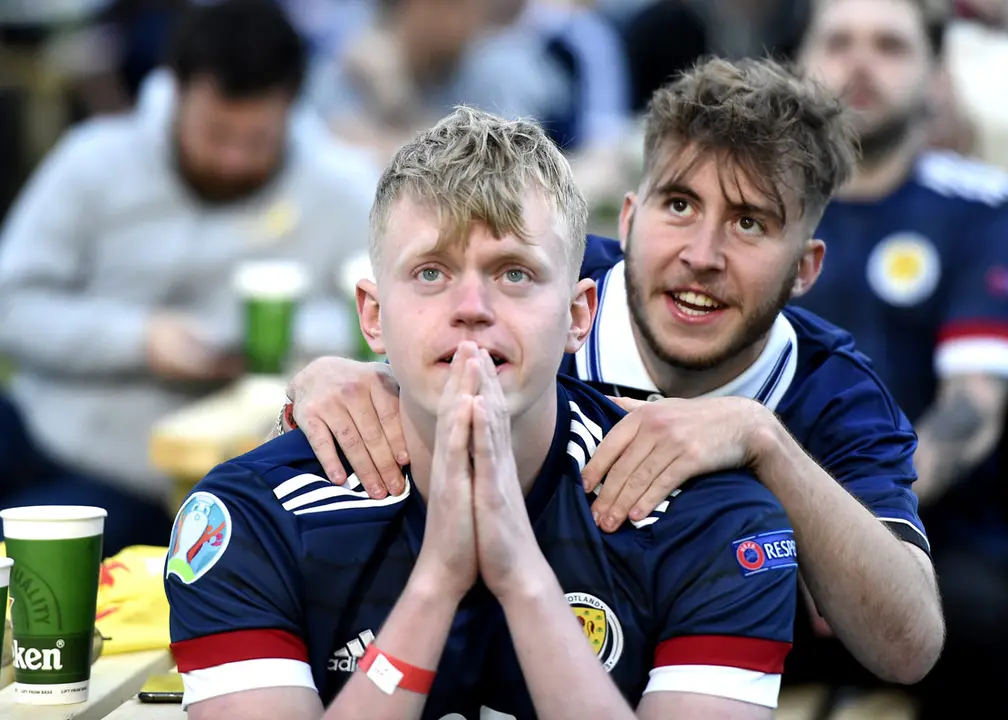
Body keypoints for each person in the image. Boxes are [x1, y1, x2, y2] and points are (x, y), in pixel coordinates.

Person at [274, 56, 945, 684]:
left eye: (749, 223)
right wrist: (330, 375)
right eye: (678, 205)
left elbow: (910, 645)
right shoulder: (541, 284)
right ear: (627, 217)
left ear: (805, 268)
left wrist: (761, 441)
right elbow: (423, 304)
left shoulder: (835, 388)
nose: (702, 254)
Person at [165, 106, 800, 719]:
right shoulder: (248, 514)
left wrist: (521, 576)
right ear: (374, 316)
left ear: (579, 315)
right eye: (432, 273)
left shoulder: (712, 516)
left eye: (515, 273)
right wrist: (435, 583)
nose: (472, 306)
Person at [0, 0, 376, 557]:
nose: (231, 159)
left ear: (292, 107)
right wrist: (140, 340)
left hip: (149, 484)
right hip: (41, 421)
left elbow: (378, 322)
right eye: (215, 133)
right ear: (175, 92)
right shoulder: (93, 161)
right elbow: (13, 305)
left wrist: (259, 337)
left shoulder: (342, 190)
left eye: (255, 141)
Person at [792, 0, 1008, 716]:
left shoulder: (983, 210)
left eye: (890, 45)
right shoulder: (756, 204)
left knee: (973, 617)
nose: (860, 62)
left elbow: (973, 410)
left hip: (932, 538)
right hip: (754, 528)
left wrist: (850, 541)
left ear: (937, 78)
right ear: (800, 64)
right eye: (839, 40)